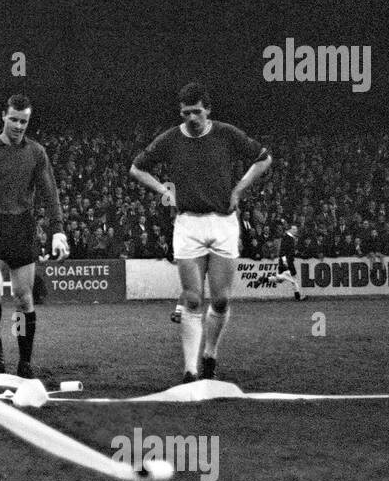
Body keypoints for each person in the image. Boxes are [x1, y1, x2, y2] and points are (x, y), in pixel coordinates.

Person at [130, 83, 272, 382]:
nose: (191, 118)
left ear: (208, 109)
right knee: (193, 299)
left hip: (223, 223)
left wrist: (239, 189)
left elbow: (263, 158)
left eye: (196, 111)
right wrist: (163, 190)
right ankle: (190, 369)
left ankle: (210, 354)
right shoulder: (170, 139)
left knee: (220, 300)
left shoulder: (226, 133)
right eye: (185, 113)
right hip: (188, 225)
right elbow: (136, 168)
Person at [0, 93, 69, 378]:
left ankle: (24, 361)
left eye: (24, 121)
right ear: (3, 117)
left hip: (21, 227)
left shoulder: (36, 153)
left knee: (22, 300)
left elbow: (50, 194)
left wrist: (58, 232)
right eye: (14, 120)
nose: (19, 126)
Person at [273, 223, 306, 300]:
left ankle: (264, 280)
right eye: (293, 229)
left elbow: (287, 251)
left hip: (286, 261)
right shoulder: (287, 238)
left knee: (280, 280)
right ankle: (298, 296)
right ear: (289, 230)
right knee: (293, 278)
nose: (295, 231)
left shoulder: (290, 238)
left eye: (296, 229)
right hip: (287, 262)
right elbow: (283, 251)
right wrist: (285, 262)